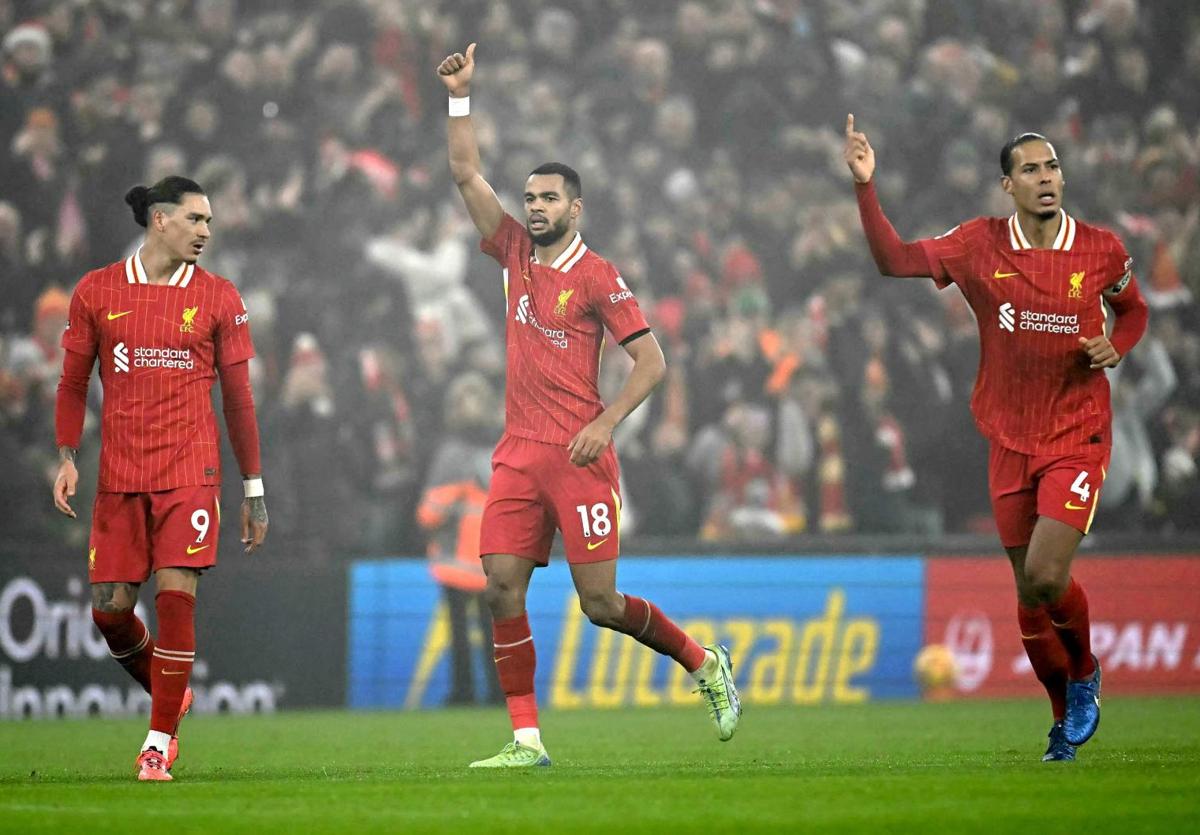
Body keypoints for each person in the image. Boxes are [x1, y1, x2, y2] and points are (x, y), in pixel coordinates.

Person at [436, 43, 741, 768]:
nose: (536, 208)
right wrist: (459, 97)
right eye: (531, 198)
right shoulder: (510, 250)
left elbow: (653, 359)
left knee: (598, 603)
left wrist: (604, 422)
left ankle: (705, 662)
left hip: (579, 456)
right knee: (500, 585)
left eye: (549, 199)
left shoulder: (600, 276)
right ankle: (526, 740)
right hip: (517, 453)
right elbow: (464, 172)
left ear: (576, 207)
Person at [843, 116, 1149, 761]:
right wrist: (866, 188)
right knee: (1028, 595)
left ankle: (1086, 670)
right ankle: (1062, 721)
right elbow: (893, 259)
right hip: (1009, 435)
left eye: (1053, 166)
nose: (1046, 178)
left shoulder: (1101, 250)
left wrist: (1114, 347)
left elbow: (1135, 310)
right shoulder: (979, 244)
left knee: (1044, 573)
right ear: (1007, 185)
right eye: (1031, 170)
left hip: (1077, 434)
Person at [52, 176, 268, 781]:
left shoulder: (220, 297)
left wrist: (253, 489)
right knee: (108, 611)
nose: (206, 231)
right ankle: (170, 692)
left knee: (177, 598)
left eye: (210, 222)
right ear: (159, 220)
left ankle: (158, 741)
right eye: (196, 219)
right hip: (119, 474)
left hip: (189, 473)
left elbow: (240, 402)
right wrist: (67, 455)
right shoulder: (96, 291)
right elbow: (71, 384)